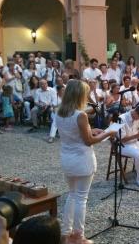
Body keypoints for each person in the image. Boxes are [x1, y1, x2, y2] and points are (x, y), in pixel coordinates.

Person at [55, 80, 115, 244]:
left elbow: (74, 133)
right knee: (81, 198)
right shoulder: (80, 115)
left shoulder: (59, 112)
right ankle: (79, 236)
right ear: (79, 95)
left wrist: (92, 130)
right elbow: (88, 141)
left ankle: (66, 232)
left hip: (67, 158)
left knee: (72, 195)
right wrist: (108, 133)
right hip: (81, 159)